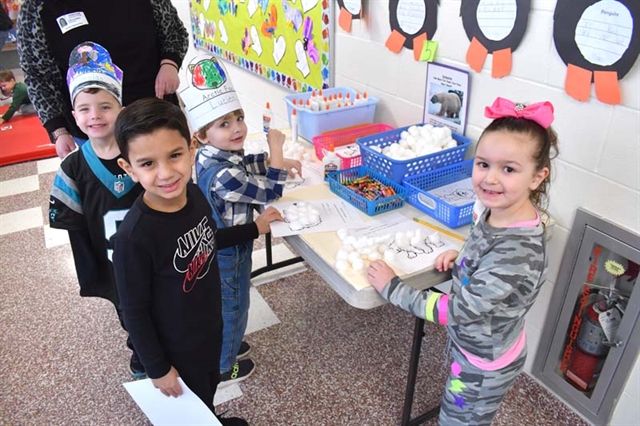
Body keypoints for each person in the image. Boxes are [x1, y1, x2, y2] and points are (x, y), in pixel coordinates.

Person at [367, 97, 559, 426]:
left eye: (509, 169)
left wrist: (393, 288)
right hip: (474, 346)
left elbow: (456, 310)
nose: (490, 178)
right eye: (483, 164)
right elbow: (484, 253)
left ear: (537, 177)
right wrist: (463, 261)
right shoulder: (495, 211)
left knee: (460, 420)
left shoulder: (518, 252)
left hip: (484, 365)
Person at [110, 97, 283, 425]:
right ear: (128, 168)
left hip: (208, 326)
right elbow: (134, 312)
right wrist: (158, 368)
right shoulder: (134, 239)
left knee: (208, 386)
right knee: (189, 408)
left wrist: (252, 229)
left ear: (191, 149)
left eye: (174, 155)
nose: (166, 174)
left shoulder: (194, 196)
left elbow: (208, 240)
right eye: (147, 164)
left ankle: (211, 416)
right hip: (176, 346)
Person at [178, 55, 301, 386]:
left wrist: (278, 158)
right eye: (224, 124)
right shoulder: (224, 176)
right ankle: (223, 366)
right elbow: (270, 191)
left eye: (238, 118)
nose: (236, 128)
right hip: (228, 253)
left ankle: (225, 345)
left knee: (226, 305)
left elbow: (247, 162)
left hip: (220, 248)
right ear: (202, 134)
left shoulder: (209, 155)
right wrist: (277, 148)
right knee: (234, 308)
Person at [48, 42, 145, 377]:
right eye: (85, 109)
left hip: (155, 255)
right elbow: (73, 226)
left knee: (163, 303)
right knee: (130, 311)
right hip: (112, 263)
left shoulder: (142, 154)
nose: (95, 116)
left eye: (105, 106)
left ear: (122, 108)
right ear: (74, 116)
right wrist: (93, 273)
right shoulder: (73, 168)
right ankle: (141, 352)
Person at [16, 0, 188, 158]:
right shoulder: (37, 7)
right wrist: (58, 129)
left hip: (155, 116)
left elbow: (174, 32)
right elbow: (37, 74)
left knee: (169, 183)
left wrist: (169, 63)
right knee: (104, 190)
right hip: (94, 130)